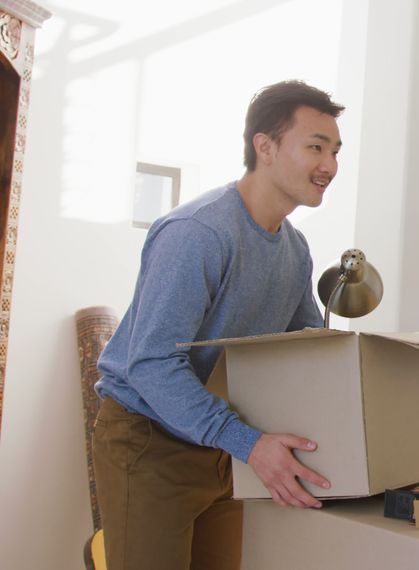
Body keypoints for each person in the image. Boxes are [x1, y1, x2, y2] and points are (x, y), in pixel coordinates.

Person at [93, 80, 344, 570]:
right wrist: (249, 443)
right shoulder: (199, 233)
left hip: (222, 443)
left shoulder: (294, 249)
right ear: (265, 147)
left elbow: (305, 353)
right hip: (149, 440)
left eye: (335, 151)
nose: (330, 165)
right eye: (315, 147)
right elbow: (152, 364)